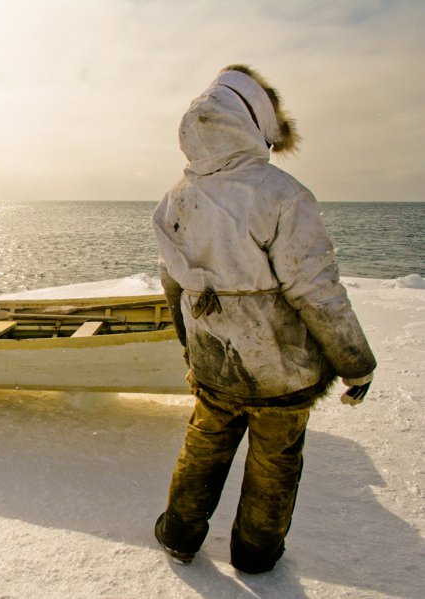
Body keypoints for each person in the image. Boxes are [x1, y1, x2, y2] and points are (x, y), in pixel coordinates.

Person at [151, 64, 376, 574]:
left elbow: (173, 284)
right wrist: (355, 362)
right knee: (276, 461)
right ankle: (255, 554)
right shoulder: (281, 193)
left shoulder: (175, 197)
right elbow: (316, 290)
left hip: (215, 361)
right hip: (281, 368)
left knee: (204, 445)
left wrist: (192, 348)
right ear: (255, 123)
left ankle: (180, 535)